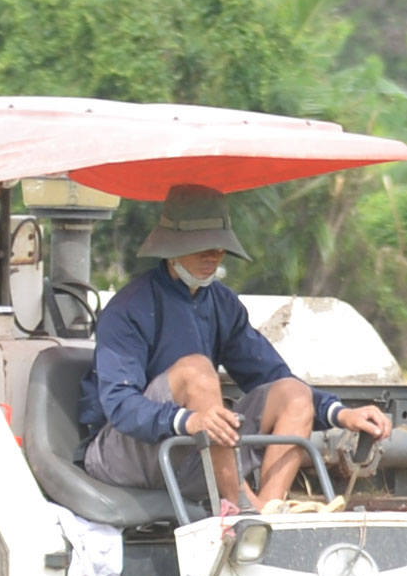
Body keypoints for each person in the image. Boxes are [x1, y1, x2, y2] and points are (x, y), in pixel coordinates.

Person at [88, 188, 386, 511]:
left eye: (221, 246)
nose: (214, 255)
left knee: (295, 394)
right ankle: (243, 511)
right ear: (171, 247)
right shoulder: (128, 308)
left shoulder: (222, 303)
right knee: (197, 371)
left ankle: (270, 518)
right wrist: (187, 420)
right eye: (203, 245)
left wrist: (343, 413)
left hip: (191, 455)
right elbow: (120, 406)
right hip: (126, 457)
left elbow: (272, 375)